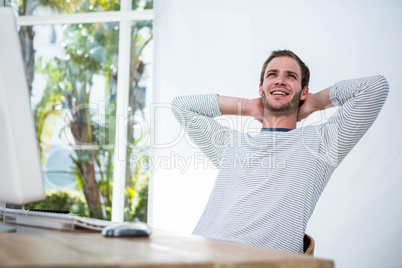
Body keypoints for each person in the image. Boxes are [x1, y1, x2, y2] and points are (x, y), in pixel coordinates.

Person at [171, 50, 389, 253]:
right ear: (261, 87)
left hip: (265, 261)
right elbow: (181, 107)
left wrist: (313, 103)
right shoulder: (230, 144)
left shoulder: (322, 143)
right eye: (272, 75)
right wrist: (248, 106)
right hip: (202, 255)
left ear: (303, 91)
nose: (280, 80)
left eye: (291, 76)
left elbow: (374, 87)